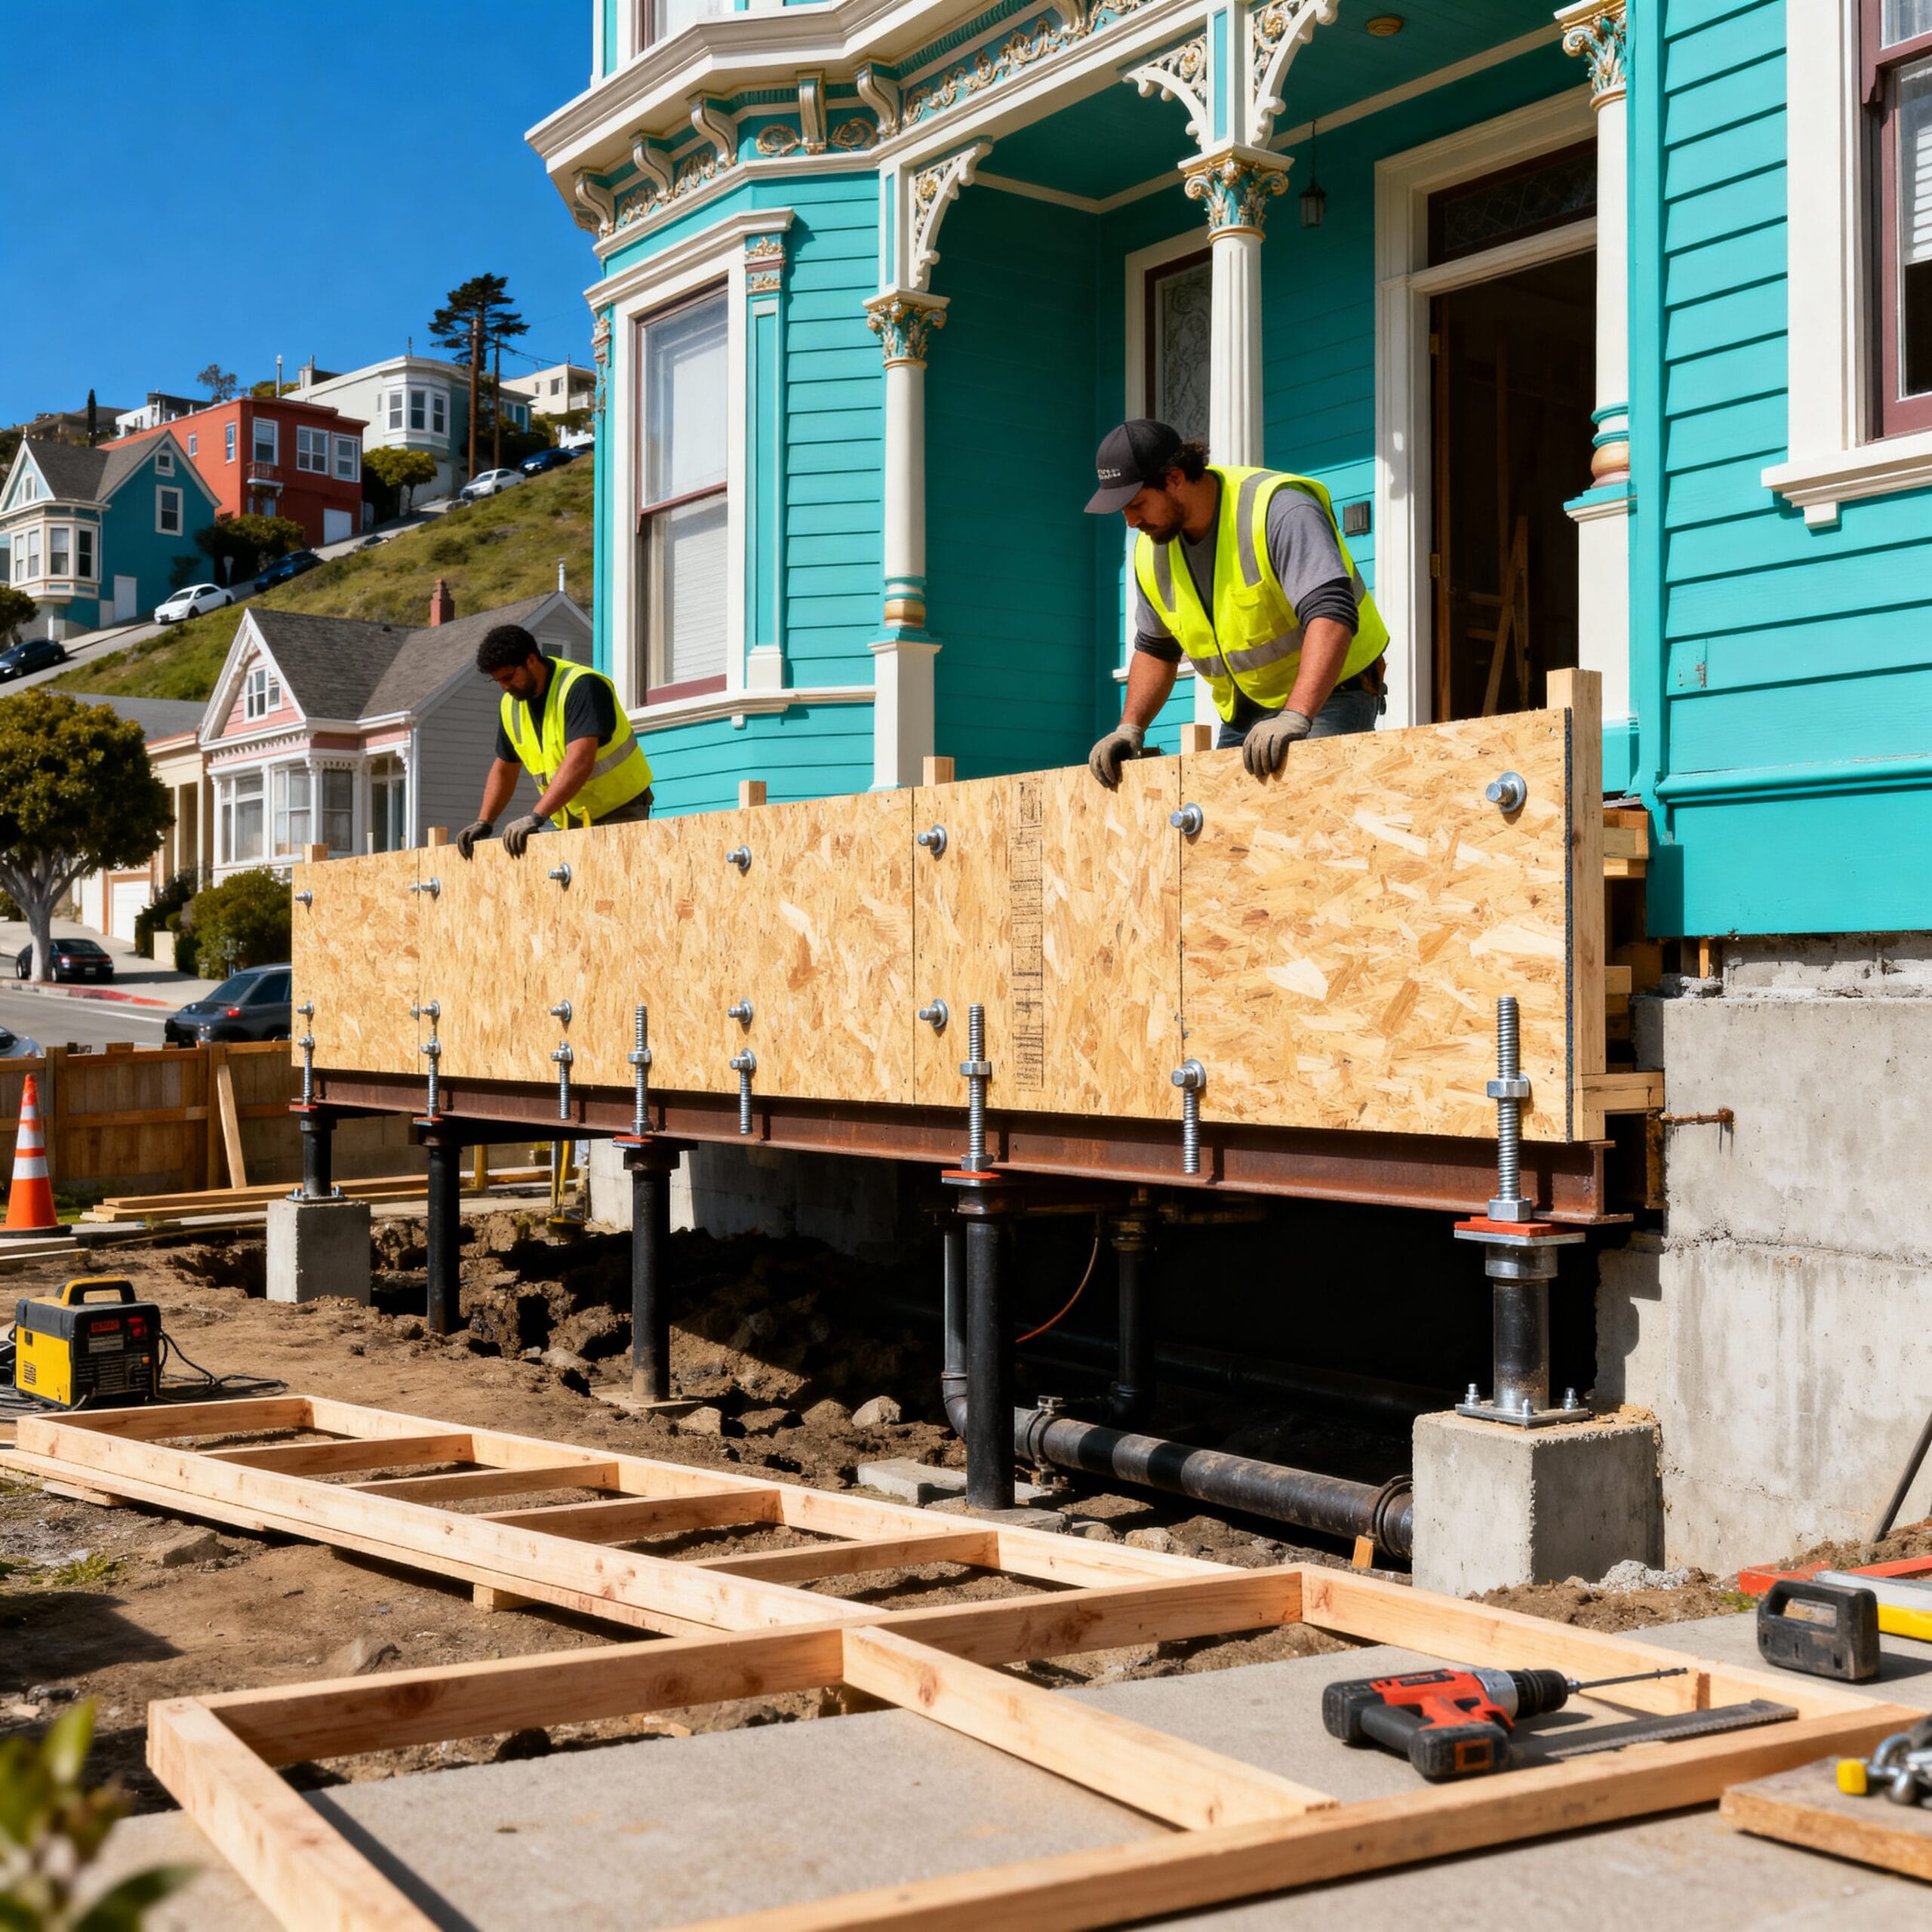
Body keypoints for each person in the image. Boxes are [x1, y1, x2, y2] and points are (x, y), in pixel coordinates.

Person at [1084, 420, 1389, 787]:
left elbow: (1331, 614)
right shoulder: (1152, 552)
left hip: (1329, 697)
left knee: (1312, 825)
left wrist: (1295, 715)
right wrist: (1130, 727)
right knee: (1232, 835)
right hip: (1243, 712)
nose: (1132, 521)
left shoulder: (1279, 509)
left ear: (1175, 479)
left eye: (1137, 504)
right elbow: (1155, 649)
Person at [455, 625, 654, 859]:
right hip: (573, 818)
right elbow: (505, 769)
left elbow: (580, 761)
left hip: (621, 808)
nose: (504, 687)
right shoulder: (512, 706)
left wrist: (536, 816)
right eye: (497, 681)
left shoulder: (582, 687)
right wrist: (485, 821)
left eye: (508, 677)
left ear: (530, 660)